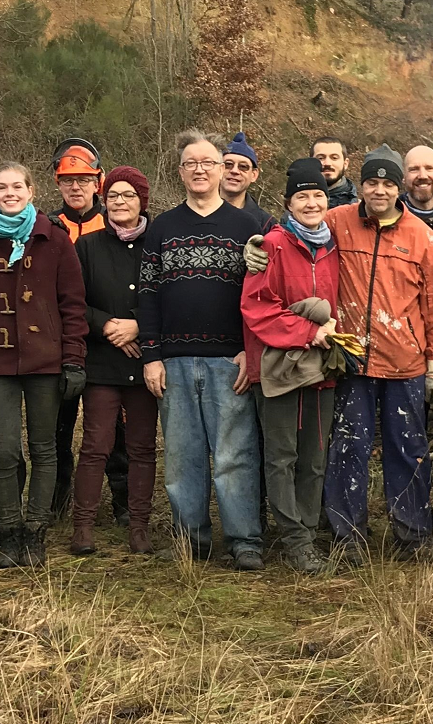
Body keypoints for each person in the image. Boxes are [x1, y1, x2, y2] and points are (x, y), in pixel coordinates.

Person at [140, 131, 266, 569]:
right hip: (173, 362)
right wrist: (151, 356)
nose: (199, 168)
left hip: (229, 360)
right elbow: (149, 295)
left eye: (208, 162)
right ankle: (191, 540)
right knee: (182, 457)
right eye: (191, 162)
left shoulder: (249, 228)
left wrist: (252, 352)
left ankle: (245, 539)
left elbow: (261, 298)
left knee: (234, 455)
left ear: (221, 170)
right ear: (180, 172)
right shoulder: (162, 228)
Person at [320, 144, 433, 563]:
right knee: (348, 447)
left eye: (388, 183)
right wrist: (260, 247)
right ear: (362, 185)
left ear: (400, 188)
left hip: (405, 364)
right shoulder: (337, 222)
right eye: (372, 182)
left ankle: (413, 536)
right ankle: (347, 536)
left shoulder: (424, 240)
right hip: (352, 359)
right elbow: (294, 233)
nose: (379, 190)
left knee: (408, 449)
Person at [0, 163, 89, 568]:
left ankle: (36, 532)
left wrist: (74, 359)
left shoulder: (55, 240)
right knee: (4, 452)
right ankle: (8, 534)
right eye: (2, 187)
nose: (10, 193)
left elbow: (72, 305)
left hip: (46, 361)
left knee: (45, 449)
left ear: (31, 191)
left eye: (18, 186)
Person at [241, 158, 341, 574]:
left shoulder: (335, 247)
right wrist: (308, 332)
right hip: (280, 366)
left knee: (314, 456)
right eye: (303, 195)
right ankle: (295, 539)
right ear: (288, 203)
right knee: (280, 456)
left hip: (322, 370)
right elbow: (257, 307)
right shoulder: (271, 245)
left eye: (318, 194)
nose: (312, 202)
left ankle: (308, 528)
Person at [72, 166, 160, 555]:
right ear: (102, 199)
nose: (119, 202)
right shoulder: (87, 247)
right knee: (96, 445)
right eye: (113, 195)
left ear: (142, 200)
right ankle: (83, 527)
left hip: (145, 362)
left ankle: (138, 526)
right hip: (102, 364)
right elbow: (73, 302)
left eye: (128, 195)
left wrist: (138, 325)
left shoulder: (159, 244)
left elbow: (170, 297)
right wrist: (107, 325)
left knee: (142, 447)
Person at [46, 138, 125, 526]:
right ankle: (56, 500)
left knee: (117, 432)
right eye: (67, 181)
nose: (75, 187)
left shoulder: (118, 223)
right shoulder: (47, 227)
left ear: (99, 181)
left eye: (83, 180)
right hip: (61, 346)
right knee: (56, 429)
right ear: (58, 184)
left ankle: (123, 501)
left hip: (110, 343)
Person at [222, 132, 275, 231]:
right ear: (218, 169)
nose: (234, 171)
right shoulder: (198, 213)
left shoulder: (266, 225)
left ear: (254, 175)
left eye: (243, 167)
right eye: (228, 164)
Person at [312, 136, 358, 208]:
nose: (327, 163)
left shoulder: (359, 209)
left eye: (334, 158)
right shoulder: (296, 207)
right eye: (321, 158)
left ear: (345, 164)